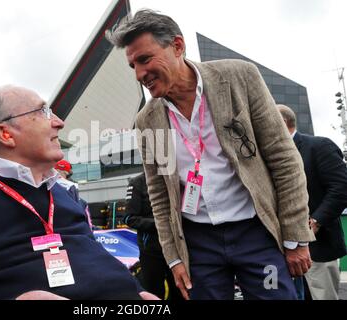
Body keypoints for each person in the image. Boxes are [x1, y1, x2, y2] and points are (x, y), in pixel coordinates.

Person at [106, 9, 315, 300]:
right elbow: (159, 194)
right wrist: (175, 257)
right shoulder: (146, 120)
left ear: (177, 46)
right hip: (198, 245)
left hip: (257, 234)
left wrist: (295, 238)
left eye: (145, 59)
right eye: (132, 66)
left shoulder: (240, 78)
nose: (140, 74)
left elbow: (285, 160)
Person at [0, 85, 157, 300]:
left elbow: (97, 264)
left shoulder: (64, 196)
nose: (59, 122)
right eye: (43, 112)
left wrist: (140, 293)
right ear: (6, 134)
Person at [278, 104, 347, 300]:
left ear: (282, 122)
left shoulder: (319, 146)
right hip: (277, 253)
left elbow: (341, 188)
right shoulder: (265, 154)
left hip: (318, 249)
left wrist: (315, 222)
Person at [124, 172, 183, 300]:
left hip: (178, 249)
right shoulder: (137, 182)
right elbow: (129, 218)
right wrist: (161, 224)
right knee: (154, 292)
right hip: (151, 251)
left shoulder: (175, 176)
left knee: (180, 291)